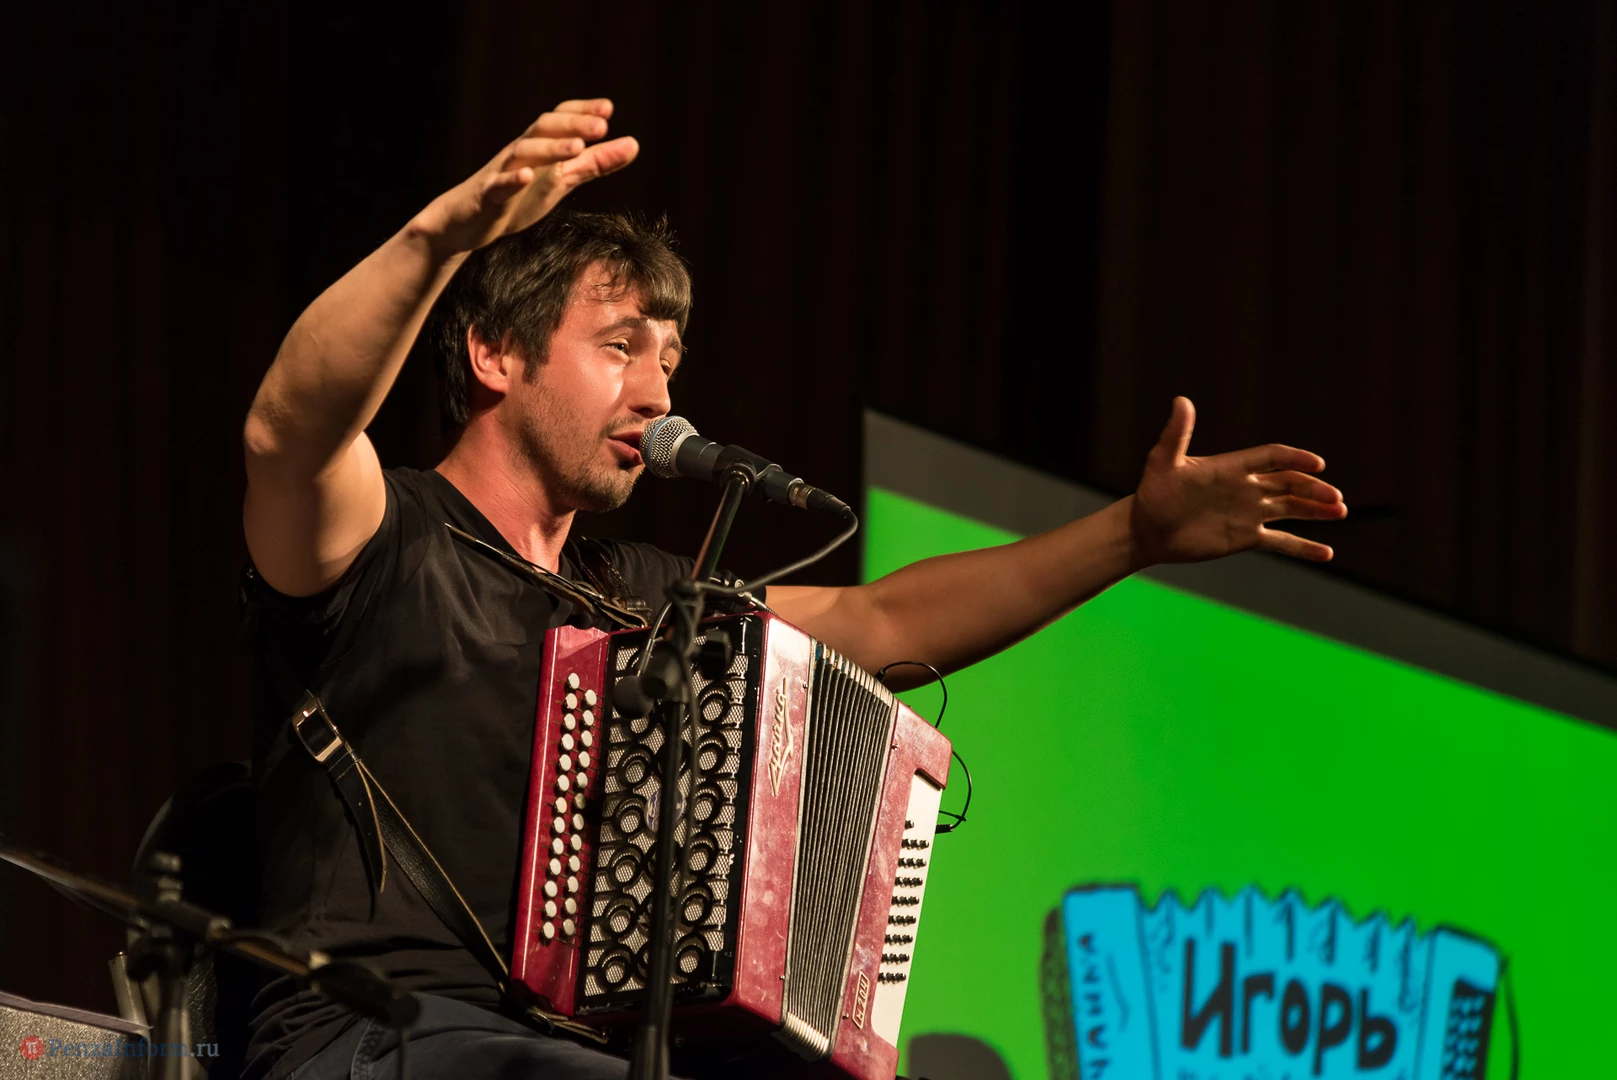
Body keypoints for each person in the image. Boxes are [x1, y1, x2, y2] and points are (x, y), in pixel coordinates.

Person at [239, 98, 1347, 1080]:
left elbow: (881, 621)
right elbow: (288, 428)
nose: (658, 391)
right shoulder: (386, 535)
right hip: (370, 1038)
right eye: (620, 345)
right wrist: (441, 238)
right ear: (494, 355)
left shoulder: (639, 595)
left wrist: (1132, 534)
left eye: (669, 359)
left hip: (573, 1053)